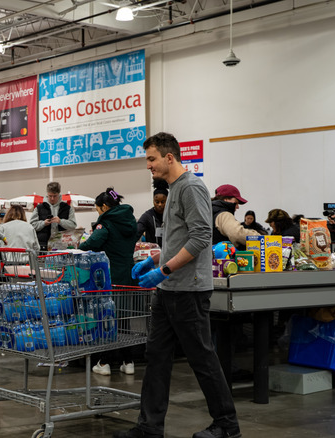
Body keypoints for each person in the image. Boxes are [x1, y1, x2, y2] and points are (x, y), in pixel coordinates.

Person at [119, 132, 241, 438]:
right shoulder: (172, 189)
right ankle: (149, 427)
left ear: (169, 157)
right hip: (168, 289)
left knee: (202, 358)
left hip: (189, 291)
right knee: (156, 356)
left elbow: (201, 237)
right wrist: (156, 260)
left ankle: (227, 426)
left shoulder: (191, 187)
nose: (148, 166)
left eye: (151, 159)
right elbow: (180, 241)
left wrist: (164, 270)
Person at [79, 188, 140, 376]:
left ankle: (104, 362)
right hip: (127, 277)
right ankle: (128, 362)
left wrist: (79, 246)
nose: (98, 213)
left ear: (104, 207)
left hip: (109, 278)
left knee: (108, 320)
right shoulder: (130, 222)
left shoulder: (106, 224)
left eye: (98, 209)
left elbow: (89, 245)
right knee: (123, 320)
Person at [30, 182, 77, 250]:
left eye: (55, 196)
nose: (52, 198)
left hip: (63, 247)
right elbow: (32, 226)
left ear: (59, 194)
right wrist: (43, 223)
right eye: (50, 196)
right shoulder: (39, 208)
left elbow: (73, 225)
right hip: (43, 246)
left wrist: (61, 221)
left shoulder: (68, 208)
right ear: (47, 194)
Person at [211, 184, 259, 249]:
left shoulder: (211, 211)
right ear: (226, 199)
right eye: (236, 203)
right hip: (223, 257)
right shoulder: (224, 214)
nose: (237, 207)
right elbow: (236, 234)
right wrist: (258, 237)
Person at [137, 179, 168, 245]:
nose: (159, 204)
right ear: (153, 201)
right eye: (157, 202)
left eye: (162, 202)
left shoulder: (173, 214)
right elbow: (137, 232)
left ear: (168, 201)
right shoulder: (147, 216)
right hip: (153, 252)